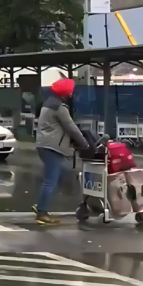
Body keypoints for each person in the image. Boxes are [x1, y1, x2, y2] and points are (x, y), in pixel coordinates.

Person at [33, 78, 89, 225]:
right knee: (50, 181)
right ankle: (42, 212)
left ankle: (41, 205)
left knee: (53, 178)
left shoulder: (48, 103)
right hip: (52, 147)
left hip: (45, 145)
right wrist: (84, 143)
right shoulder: (59, 107)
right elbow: (70, 127)